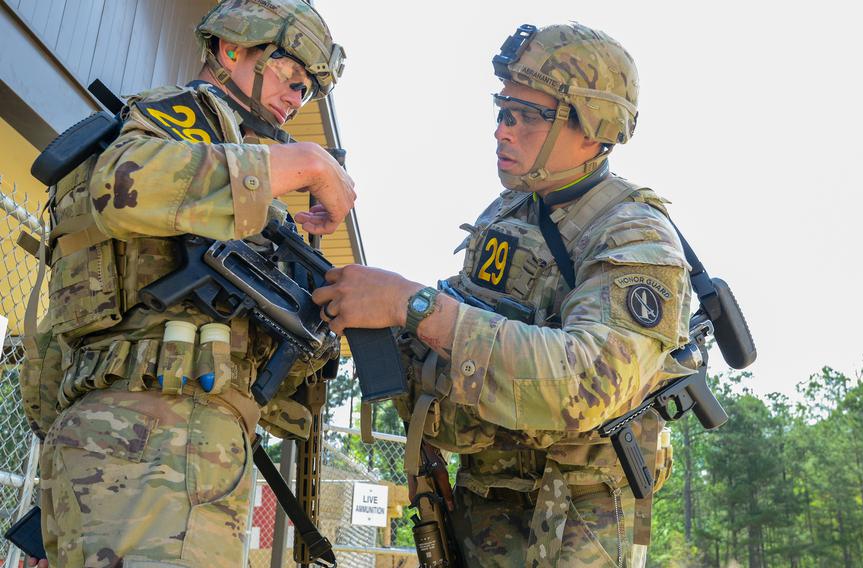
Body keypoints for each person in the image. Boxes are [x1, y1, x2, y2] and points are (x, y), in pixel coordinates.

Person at [312, 23, 691, 567]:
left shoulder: (633, 234)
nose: (501, 130)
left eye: (527, 116)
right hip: (484, 502)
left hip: (571, 521)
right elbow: (467, 324)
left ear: (592, 126)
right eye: (501, 109)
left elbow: (587, 383)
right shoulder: (510, 213)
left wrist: (413, 305)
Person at [18, 0, 353, 566]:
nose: (296, 100)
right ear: (232, 50)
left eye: (308, 92)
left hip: (139, 446)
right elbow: (121, 185)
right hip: (158, 447)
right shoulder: (184, 123)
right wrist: (310, 163)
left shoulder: (239, 176)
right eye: (291, 78)